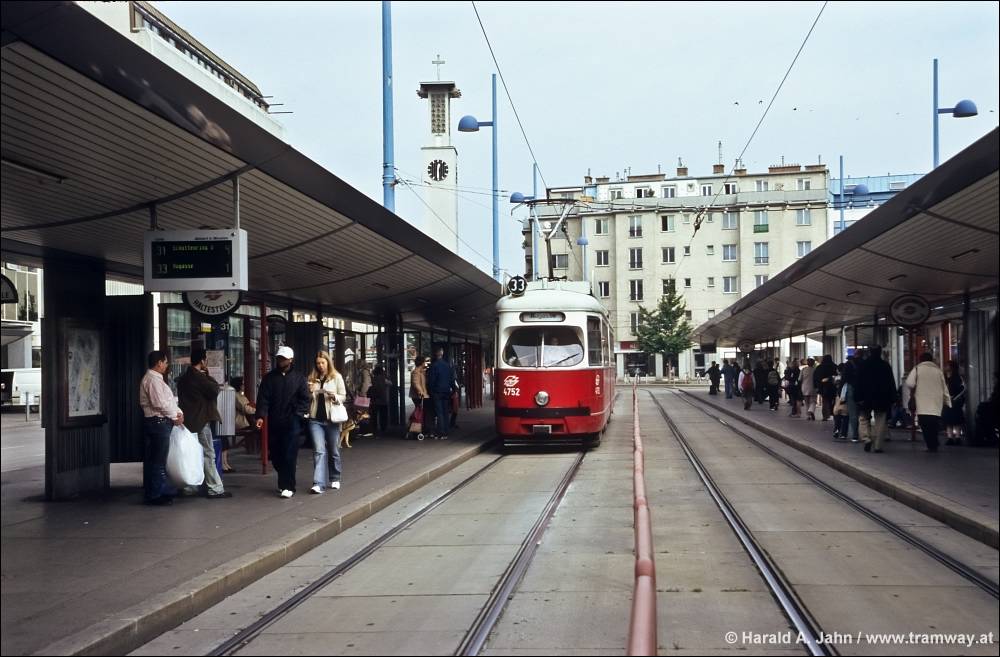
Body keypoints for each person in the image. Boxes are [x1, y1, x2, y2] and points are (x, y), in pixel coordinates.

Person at [255, 346, 311, 498]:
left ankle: (288, 486)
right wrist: (260, 416)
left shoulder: (299, 378)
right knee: (276, 454)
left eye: (284, 358)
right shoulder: (269, 378)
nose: (281, 361)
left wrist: (298, 414)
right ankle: (283, 481)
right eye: (279, 358)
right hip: (274, 420)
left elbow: (305, 399)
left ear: (290, 360)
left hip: (292, 421)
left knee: (289, 453)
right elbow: (263, 398)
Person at [177, 348, 231, 499]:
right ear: (202, 361)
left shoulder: (183, 378)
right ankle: (215, 488)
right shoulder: (200, 378)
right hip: (200, 421)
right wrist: (208, 374)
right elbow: (214, 390)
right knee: (208, 454)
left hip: (187, 422)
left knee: (190, 454)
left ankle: (190, 487)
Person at [139, 350, 184, 506]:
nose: (166, 365)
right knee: (158, 460)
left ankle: (156, 491)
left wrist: (177, 413)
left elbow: (168, 402)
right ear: (159, 363)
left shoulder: (155, 379)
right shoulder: (153, 380)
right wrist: (175, 416)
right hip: (158, 423)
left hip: (158, 422)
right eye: (165, 362)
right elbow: (160, 404)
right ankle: (155, 494)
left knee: (155, 460)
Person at [307, 351, 347, 494]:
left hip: (332, 420)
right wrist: (310, 391)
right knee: (319, 451)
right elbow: (307, 398)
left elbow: (343, 396)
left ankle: (335, 477)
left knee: (333, 450)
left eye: (323, 363)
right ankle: (318, 483)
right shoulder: (312, 378)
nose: (320, 365)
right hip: (315, 420)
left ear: (328, 363)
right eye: (318, 363)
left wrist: (334, 397)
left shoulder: (336, 377)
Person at [904, 353, 951, 453]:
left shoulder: (917, 369)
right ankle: (934, 442)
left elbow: (910, 383)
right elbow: (944, 387)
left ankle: (930, 445)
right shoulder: (938, 371)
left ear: (921, 360)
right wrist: (947, 401)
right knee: (934, 424)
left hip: (922, 402)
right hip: (936, 402)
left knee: (925, 425)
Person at [855, 345, 897, 453]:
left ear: (869, 352)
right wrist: (893, 398)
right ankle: (878, 445)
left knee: (863, 418)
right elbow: (891, 383)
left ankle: (866, 438)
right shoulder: (885, 366)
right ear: (880, 352)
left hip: (865, 397)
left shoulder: (863, 365)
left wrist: (858, 397)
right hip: (882, 397)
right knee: (881, 421)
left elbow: (858, 382)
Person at [427, 347, 456, 439]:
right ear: (442, 354)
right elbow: (451, 379)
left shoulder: (434, 366)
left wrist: (431, 391)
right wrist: (454, 390)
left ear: (436, 354)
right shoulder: (447, 365)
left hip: (437, 392)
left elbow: (431, 380)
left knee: (439, 412)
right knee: (445, 411)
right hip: (446, 391)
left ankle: (441, 432)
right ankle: (446, 431)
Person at [942, 360, 966, 445]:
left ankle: (957, 437)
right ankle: (951, 437)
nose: (945, 367)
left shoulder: (957, 378)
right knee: (949, 420)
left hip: (955, 401)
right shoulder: (945, 378)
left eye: (947, 366)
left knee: (955, 420)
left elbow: (962, 388)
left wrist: (954, 397)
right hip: (949, 401)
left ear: (952, 367)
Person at [410, 356, 432, 439]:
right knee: (419, 412)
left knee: (421, 412)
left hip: (422, 395)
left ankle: (420, 428)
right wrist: (421, 392)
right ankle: (417, 429)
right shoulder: (416, 372)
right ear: (421, 362)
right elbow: (416, 383)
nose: (425, 363)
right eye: (424, 362)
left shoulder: (421, 371)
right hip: (419, 396)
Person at [370, 365, 391, 435]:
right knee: (383, 415)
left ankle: (374, 428)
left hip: (375, 399)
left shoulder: (373, 378)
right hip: (383, 399)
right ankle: (383, 428)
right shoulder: (384, 379)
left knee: (374, 415)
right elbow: (390, 383)